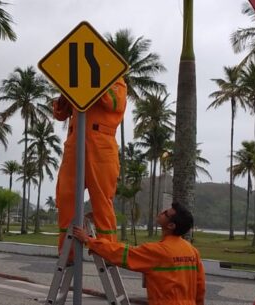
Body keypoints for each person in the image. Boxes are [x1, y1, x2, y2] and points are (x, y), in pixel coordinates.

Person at [71, 203, 206, 305]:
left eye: (166, 213)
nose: (161, 212)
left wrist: (89, 240)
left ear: (171, 226)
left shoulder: (158, 251)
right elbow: (200, 288)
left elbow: (121, 253)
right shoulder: (192, 251)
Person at [53, 77, 127, 253]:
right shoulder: (75, 79)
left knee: (102, 201)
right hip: (74, 145)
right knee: (65, 198)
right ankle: (67, 253)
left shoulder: (116, 79)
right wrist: (67, 90)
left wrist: (92, 80)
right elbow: (59, 114)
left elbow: (115, 103)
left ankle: (107, 250)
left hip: (101, 144)